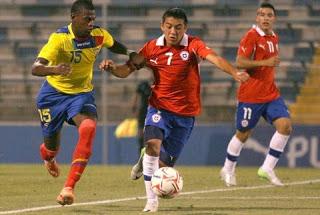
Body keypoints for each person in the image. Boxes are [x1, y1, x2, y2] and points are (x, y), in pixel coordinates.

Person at [99, 8, 249, 212]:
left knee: (163, 166)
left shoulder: (194, 44)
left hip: (186, 116)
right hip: (159, 107)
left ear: (185, 28)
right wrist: (112, 68)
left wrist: (234, 73)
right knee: (153, 145)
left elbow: (214, 58)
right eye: (169, 27)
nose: (173, 31)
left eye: (178, 27)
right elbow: (127, 69)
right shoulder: (151, 48)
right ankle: (151, 201)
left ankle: (145, 161)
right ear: (162, 27)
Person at [31, 0, 144, 206]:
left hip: (81, 95)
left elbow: (115, 44)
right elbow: (36, 68)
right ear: (73, 17)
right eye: (87, 18)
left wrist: (131, 53)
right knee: (51, 147)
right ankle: (48, 157)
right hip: (52, 96)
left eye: (93, 18)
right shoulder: (59, 39)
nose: (91, 22)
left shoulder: (99, 35)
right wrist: (54, 70)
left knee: (89, 127)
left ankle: (68, 187)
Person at [220, 2, 292, 187]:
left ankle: (267, 168)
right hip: (251, 96)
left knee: (285, 126)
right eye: (262, 15)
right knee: (243, 134)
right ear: (257, 18)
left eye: (269, 15)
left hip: (270, 94)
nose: (266, 18)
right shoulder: (251, 36)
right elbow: (240, 62)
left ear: (274, 18)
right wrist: (266, 62)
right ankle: (228, 169)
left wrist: (267, 64)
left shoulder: (273, 36)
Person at [132, 80, 152, 155]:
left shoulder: (158, 85)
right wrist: (134, 106)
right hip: (143, 111)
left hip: (153, 112)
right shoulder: (143, 85)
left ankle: (148, 153)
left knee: (150, 134)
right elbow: (136, 95)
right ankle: (141, 152)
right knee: (141, 132)